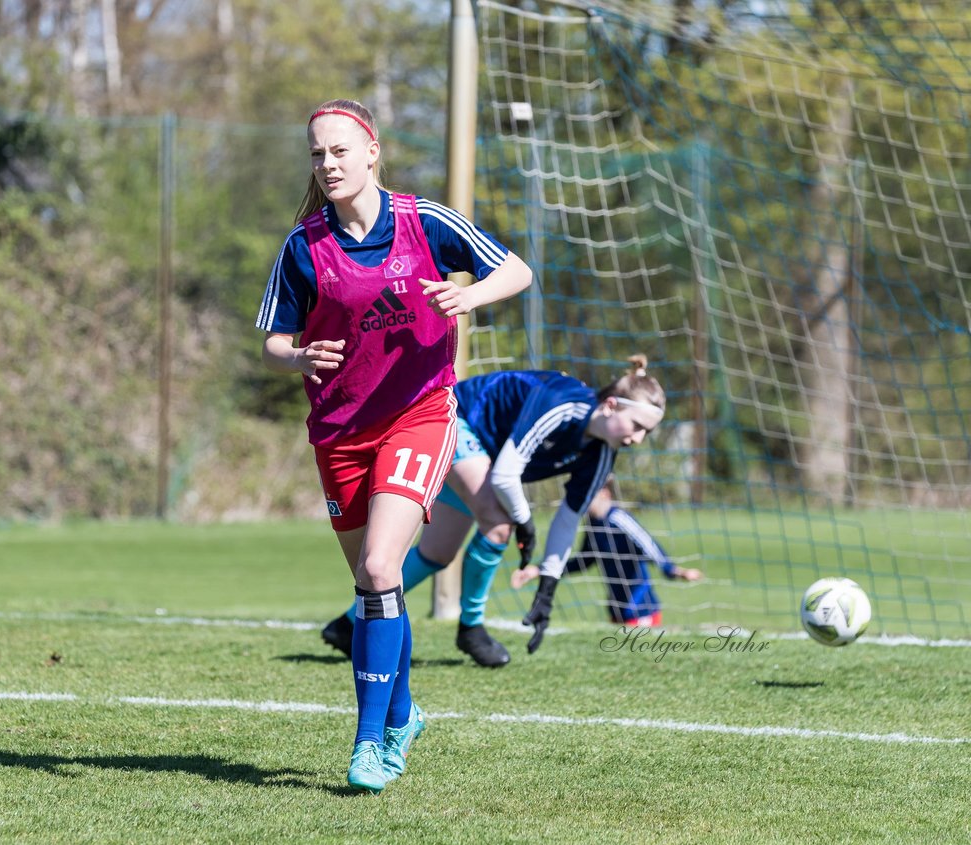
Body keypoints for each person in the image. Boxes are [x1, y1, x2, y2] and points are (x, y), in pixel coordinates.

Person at [256, 98, 532, 793]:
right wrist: (297, 359)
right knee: (374, 587)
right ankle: (403, 715)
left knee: (382, 568)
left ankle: (370, 743)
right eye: (317, 154)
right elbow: (272, 341)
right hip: (340, 434)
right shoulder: (304, 246)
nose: (328, 164)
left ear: (373, 151)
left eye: (341, 151)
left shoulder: (425, 222)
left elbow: (516, 271)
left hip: (420, 414)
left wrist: (471, 298)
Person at [321, 356, 667, 666]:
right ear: (610, 405)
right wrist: (525, 521)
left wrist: (547, 589)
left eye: (646, 433)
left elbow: (567, 520)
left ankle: (348, 625)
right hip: (451, 418)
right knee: (499, 523)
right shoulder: (562, 405)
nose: (638, 439)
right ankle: (471, 628)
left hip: (481, 452)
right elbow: (505, 475)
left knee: (437, 553)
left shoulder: (602, 452)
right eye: (637, 426)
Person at [510, 480, 703, 627]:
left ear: (605, 493)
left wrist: (674, 570)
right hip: (616, 609)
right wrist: (540, 570)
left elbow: (649, 546)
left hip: (641, 609)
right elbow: (583, 561)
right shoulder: (593, 526)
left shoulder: (620, 520)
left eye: (588, 495)